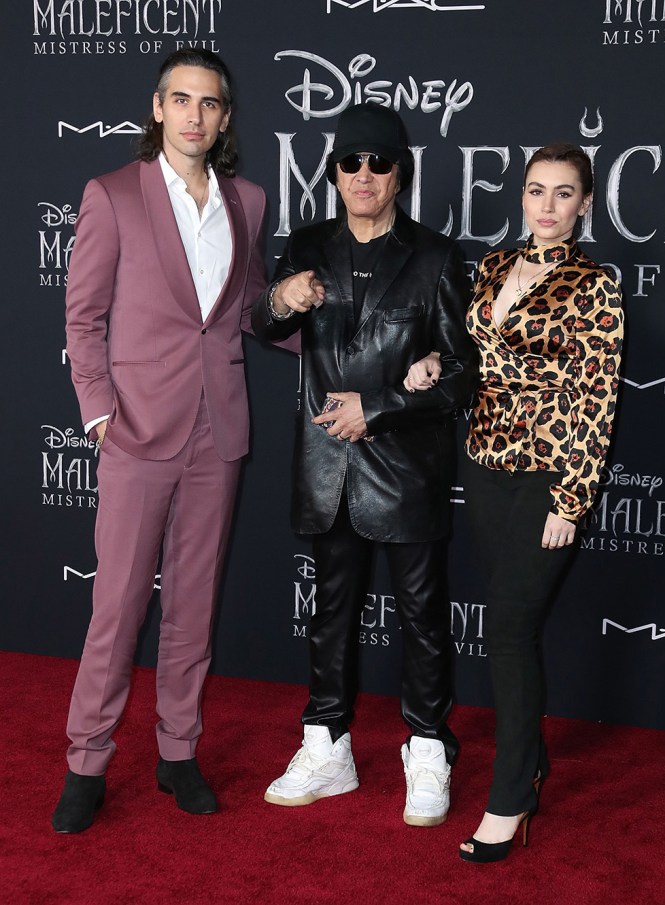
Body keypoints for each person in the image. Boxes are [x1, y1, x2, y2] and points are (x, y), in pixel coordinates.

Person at [52, 49, 292, 833]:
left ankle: (178, 751)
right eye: (181, 99)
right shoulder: (112, 195)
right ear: (157, 108)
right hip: (136, 428)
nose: (195, 115)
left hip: (216, 431)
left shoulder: (249, 200)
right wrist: (97, 414)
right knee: (117, 604)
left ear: (225, 118)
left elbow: (251, 309)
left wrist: (300, 315)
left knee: (195, 604)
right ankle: (87, 759)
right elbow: (82, 316)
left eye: (210, 103)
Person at [252, 104, 478, 827]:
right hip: (327, 469)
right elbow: (265, 321)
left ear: (399, 173)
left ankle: (427, 745)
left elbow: (461, 375)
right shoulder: (305, 245)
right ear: (334, 171)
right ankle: (327, 743)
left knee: (421, 616)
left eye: (379, 163)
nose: (363, 175)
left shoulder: (437, 256)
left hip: (405, 466)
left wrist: (376, 407)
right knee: (329, 616)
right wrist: (277, 298)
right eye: (351, 162)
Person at [405, 143, 624, 860]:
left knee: (506, 629)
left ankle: (509, 798)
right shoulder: (496, 265)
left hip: (547, 473)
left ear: (586, 203)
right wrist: (439, 361)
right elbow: (475, 358)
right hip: (486, 463)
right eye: (537, 190)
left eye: (566, 193)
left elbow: (596, 403)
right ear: (522, 195)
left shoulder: (596, 287)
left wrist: (571, 498)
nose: (549, 205)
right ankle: (530, 758)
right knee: (515, 631)